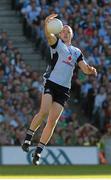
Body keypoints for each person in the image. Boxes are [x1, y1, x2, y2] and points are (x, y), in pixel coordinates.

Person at [22, 14, 97, 165]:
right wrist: (46, 24)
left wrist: (91, 70)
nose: (65, 32)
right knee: (43, 112)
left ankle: (38, 152)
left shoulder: (76, 51)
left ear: (72, 35)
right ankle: (28, 138)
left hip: (64, 89)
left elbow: (84, 68)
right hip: (51, 83)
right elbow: (48, 35)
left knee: (53, 121)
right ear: (59, 33)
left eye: (68, 31)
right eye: (63, 30)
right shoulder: (57, 44)